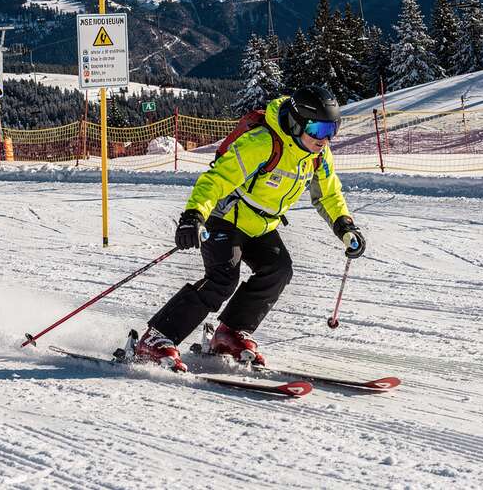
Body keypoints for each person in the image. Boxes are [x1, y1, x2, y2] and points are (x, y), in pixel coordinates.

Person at [134, 85, 366, 371]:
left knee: (278, 269)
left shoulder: (318, 154)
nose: (325, 138)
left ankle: (229, 333)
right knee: (222, 278)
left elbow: (329, 195)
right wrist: (194, 215)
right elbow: (216, 180)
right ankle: (157, 337)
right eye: (318, 129)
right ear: (296, 123)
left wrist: (346, 227)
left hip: (261, 223)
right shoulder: (262, 143)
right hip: (226, 217)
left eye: (332, 128)